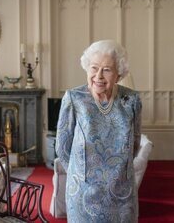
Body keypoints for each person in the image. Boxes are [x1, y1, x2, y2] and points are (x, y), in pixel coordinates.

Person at [55, 39, 142, 223]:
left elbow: (134, 144)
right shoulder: (74, 99)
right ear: (87, 68)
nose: (99, 76)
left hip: (122, 193)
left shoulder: (132, 100)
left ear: (119, 74)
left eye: (107, 69)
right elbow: (63, 148)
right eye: (94, 68)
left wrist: (117, 173)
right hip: (83, 194)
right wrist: (81, 174)